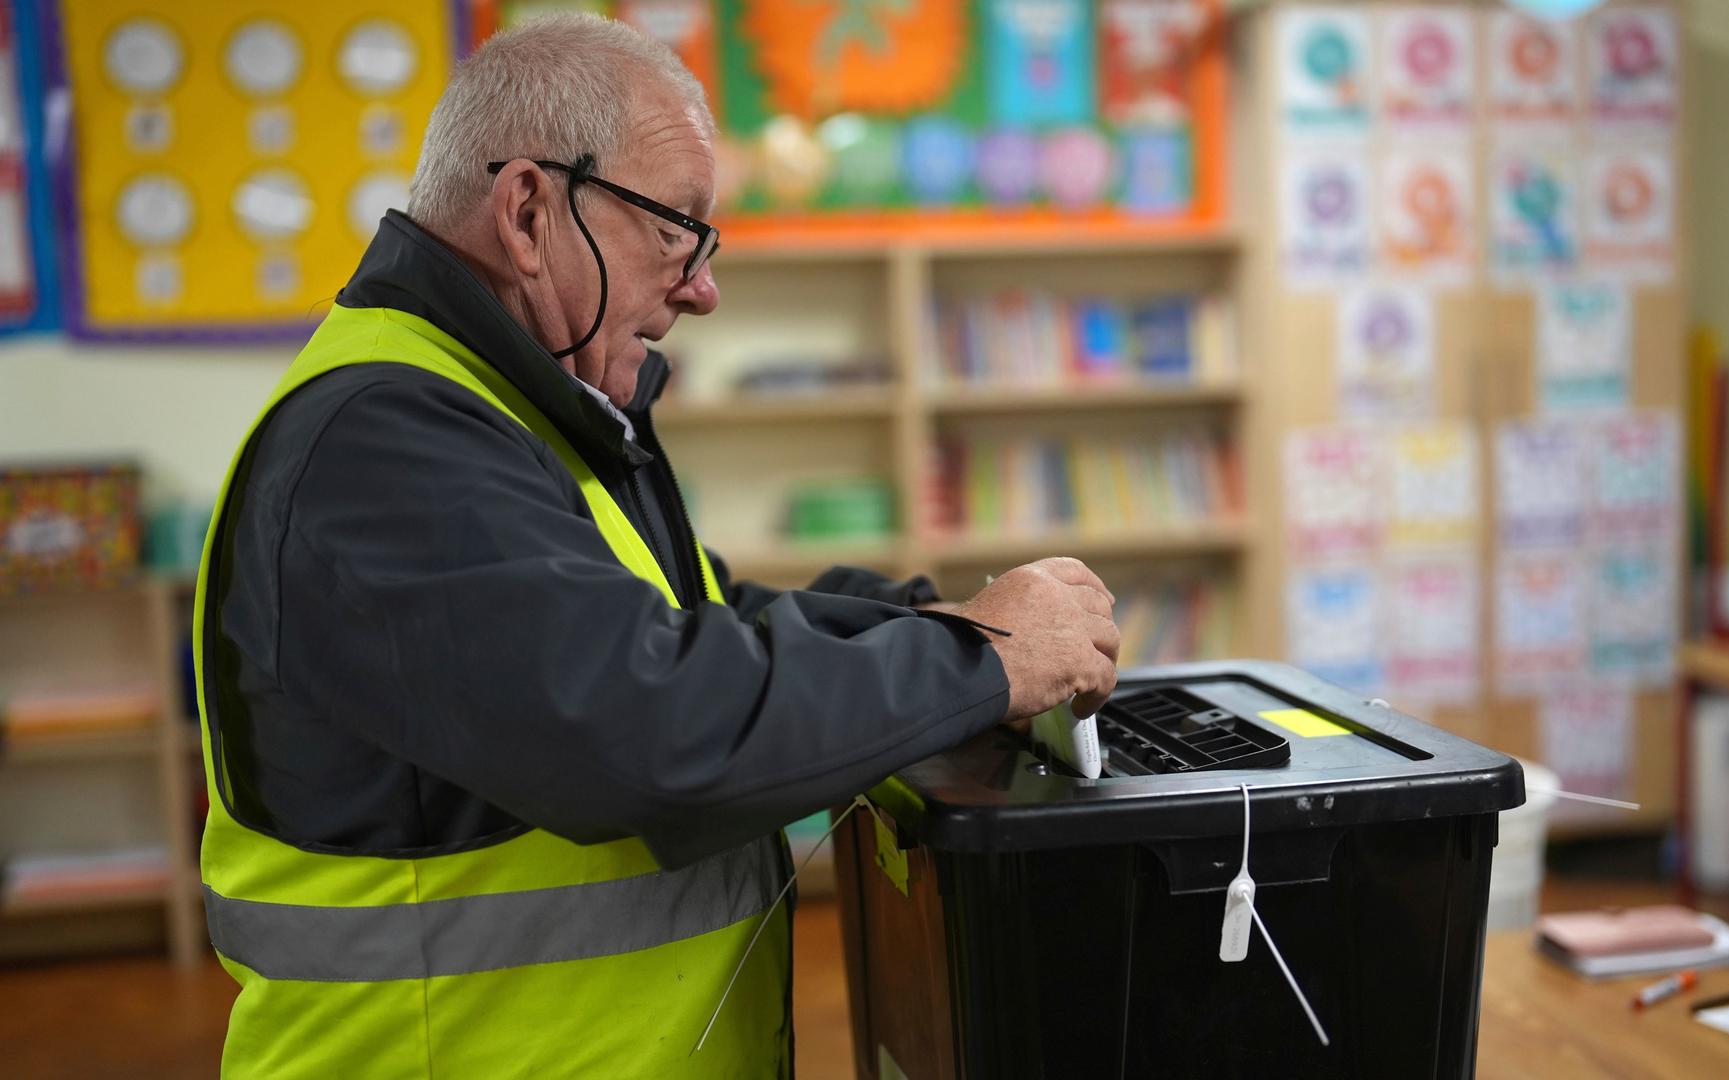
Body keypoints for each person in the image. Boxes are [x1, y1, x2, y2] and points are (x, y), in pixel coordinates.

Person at [191, 13, 1120, 1079]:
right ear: (531, 211)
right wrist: (985, 664)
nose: (701, 286)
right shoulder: (386, 443)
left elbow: (698, 629)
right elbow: (655, 729)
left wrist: (932, 625)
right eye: (675, 227)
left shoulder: (525, 410)